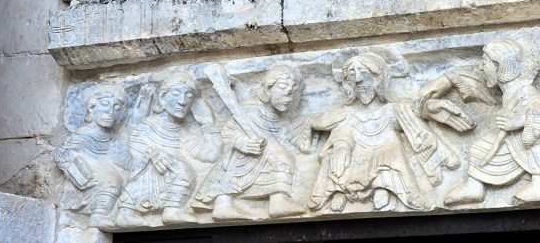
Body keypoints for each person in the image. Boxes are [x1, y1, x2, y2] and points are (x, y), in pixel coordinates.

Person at [309, 53, 461, 213]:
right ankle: (339, 190)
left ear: (378, 78)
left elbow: (415, 110)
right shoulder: (347, 112)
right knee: (334, 156)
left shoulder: (392, 108)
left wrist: (430, 108)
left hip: (384, 150)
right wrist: (342, 146)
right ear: (348, 83)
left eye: (363, 72)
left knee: (392, 148)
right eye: (352, 74)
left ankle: (384, 187)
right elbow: (341, 130)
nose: (358, 79)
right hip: (355, 151)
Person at [439, 39, 540, 206]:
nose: (481, 68)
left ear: (499, 66)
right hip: (511, 140)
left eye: (485, 63)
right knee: (479, 147)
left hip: (525, 142)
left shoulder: (524, 90)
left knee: (534, 146)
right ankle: (474, 187)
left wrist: (519, 121)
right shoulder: (508, 91)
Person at [195, 66, 308, 220]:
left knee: (283, 158)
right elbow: (228, 131)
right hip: (245, 154)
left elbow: (283, 130)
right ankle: (224, 205)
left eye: (292, 94)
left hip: (263, 152)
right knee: (231, 174)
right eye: (282, 89)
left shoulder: (272, 112)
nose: (288, 98)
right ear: (268, 89)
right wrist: (241, 142)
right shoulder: (249, 110)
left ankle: (278, 201)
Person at [117, 73, 221, 226]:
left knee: (183, 170)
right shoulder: (149, 125)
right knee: (178, 168)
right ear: (162, 97)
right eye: (176, 93)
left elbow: (212, 156)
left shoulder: (183, 133)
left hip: (171, 179)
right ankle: (128, 211)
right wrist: (152, 153)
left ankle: (172, 209)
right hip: (146, 181)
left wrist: (208, 124)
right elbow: (131, 150)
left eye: (189, 95)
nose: (182, 101)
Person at [55, 86, 133, 229]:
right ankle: (97, 216)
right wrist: (77, 176)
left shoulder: (114, 137)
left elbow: (124, 160)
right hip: (90, 182)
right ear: (91, 108)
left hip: (108, 174)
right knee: (112, 183)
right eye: (105, 104)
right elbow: (62, 155)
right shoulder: (83, 134)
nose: (110, 112)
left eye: (116, 108)